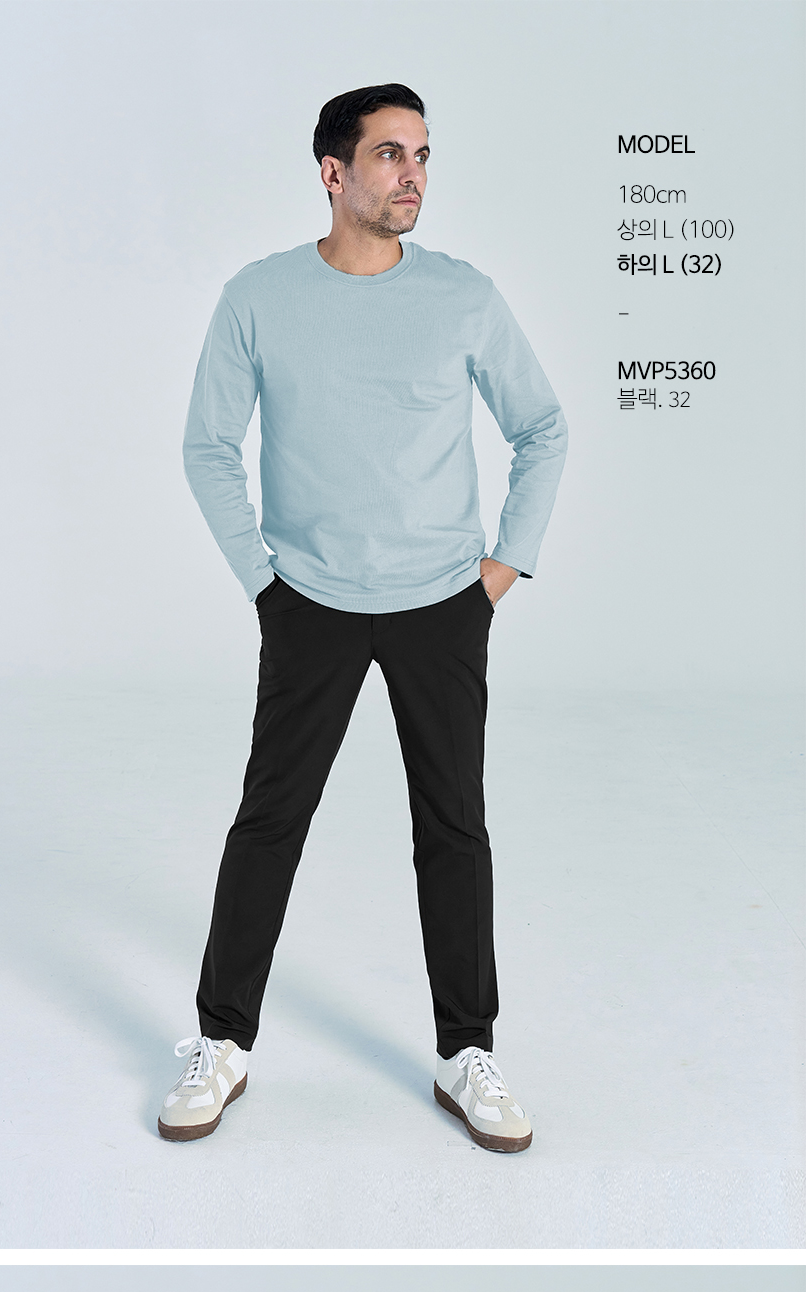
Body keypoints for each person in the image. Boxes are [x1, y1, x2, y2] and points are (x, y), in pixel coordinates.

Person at [158, 77, 567, 1156]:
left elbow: (541, 427)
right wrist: (263, 581)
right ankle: (222, 1042)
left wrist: (503, 567)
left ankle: (465, 1052)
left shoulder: (463, 297)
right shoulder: (260, 296)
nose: (413, 175)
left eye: (422, 155)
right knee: (269, 822)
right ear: (333, 172)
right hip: (311, 602)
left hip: (442, 603)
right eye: (390, 154)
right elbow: (207, 444)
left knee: (454, 827)